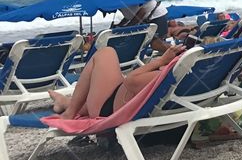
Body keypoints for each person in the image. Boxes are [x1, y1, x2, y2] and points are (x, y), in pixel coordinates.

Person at [48, 44, 186, 119]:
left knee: (106, 52)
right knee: (102, 79)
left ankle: (70, 112)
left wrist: (161, 61)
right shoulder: (195, 78)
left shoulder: (177, 75)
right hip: (122, 99)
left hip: (109, 109)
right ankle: (65, 102)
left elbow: (131, 81)